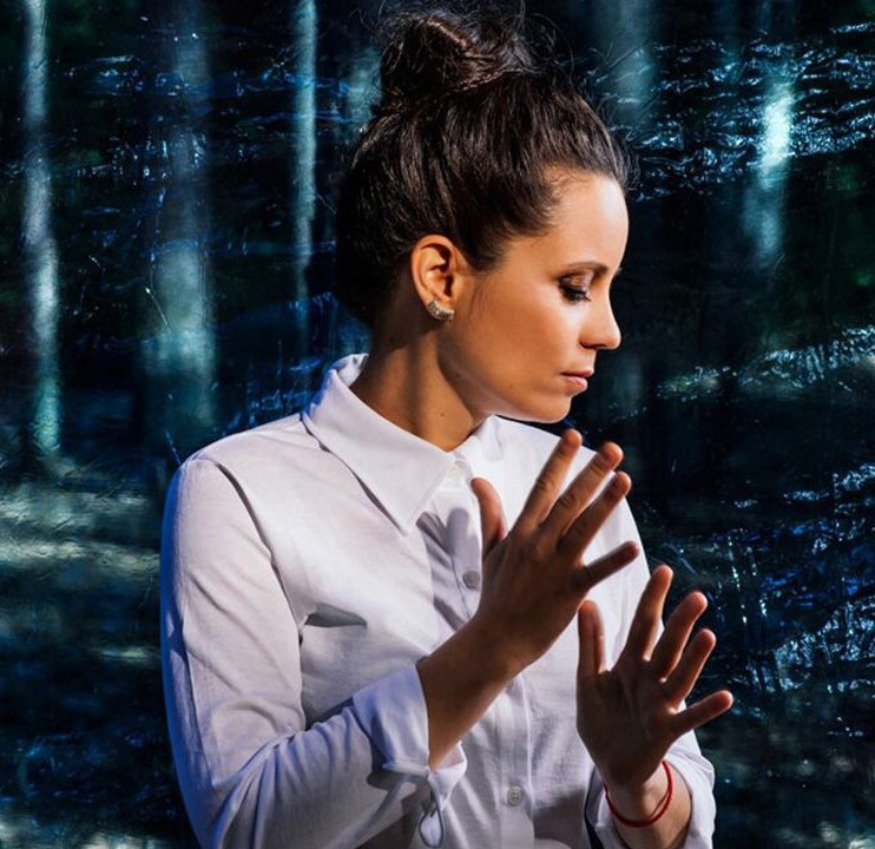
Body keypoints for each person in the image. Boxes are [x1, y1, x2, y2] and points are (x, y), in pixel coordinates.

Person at [160, 7, 733, 849]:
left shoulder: (579, 494)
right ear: (440, 275)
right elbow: (245, 825)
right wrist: (491, 647)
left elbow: (674, 822)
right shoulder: (238, 495)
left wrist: (636, 783)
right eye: (575, 286)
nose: (608, 330)